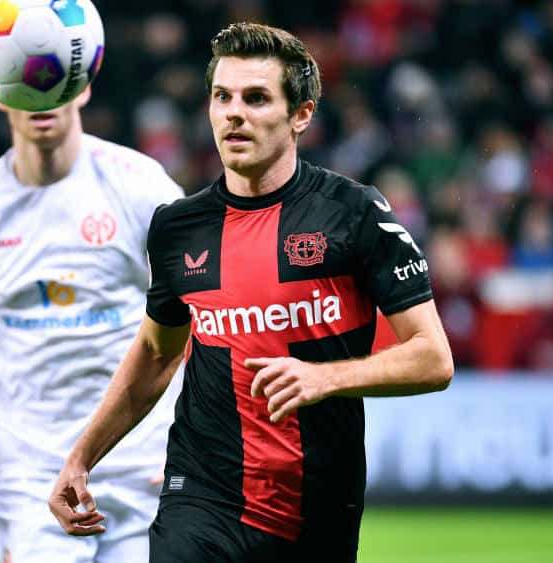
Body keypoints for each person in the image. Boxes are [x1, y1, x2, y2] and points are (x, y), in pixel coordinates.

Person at [49, 22, 454, 562]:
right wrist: (81, 458)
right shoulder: (178, 228)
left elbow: (433, 358)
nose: (233, 113)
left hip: (317, 505)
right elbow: (156, 352)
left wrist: (324, 377)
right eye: (223, 97)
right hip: (202, 494)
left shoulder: (353, 213)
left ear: (301, 115)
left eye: (256, 98)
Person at [0, 84, 184, 563]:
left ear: (84, 86)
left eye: (56, 80)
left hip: (143, 469)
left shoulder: (142, 187)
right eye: (24, 83)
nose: (41, 98)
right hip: (30, 479)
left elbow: (199, 318)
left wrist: (196, 442)